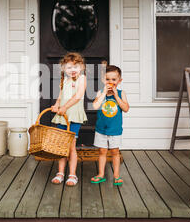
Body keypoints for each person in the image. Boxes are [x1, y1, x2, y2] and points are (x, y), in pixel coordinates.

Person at [50, 53, 88, 187]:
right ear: (63, 69)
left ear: (82, 67)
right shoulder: (64, 81)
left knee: (71, 146)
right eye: (69, 67)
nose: (72, 70)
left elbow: (78, 96)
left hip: (73, 115)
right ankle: (60, 173)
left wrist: (65, 107)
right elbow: (60, 97)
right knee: (61, 146)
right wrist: (56, 105)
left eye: (76, 67)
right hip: (62, 116)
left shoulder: (82, 79)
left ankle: (72, 174)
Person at [91, 65, 130, 186]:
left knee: (115, 152)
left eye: (114, 80)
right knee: (102, 151)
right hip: (101, 129)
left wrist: (116, 96)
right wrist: (104, 93)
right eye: (108, 79)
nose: (111, 82)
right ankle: (101, 174)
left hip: (115, 129)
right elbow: (95, 106)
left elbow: (126, 108)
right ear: (103, 80)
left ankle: (116, 175)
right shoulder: (100, 92)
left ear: (119, 81)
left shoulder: (121, 93)